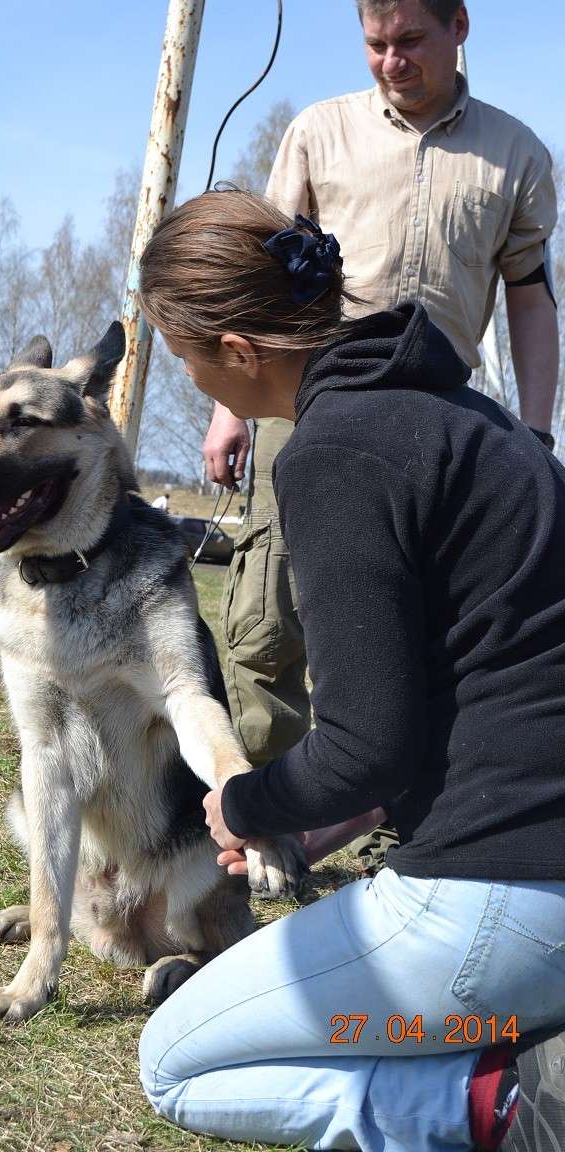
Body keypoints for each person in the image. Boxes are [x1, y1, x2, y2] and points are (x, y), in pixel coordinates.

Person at [136, 189, 565, 1151]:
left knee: (176, 1062)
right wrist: (310, 822)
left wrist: (244, 807)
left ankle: (498, 1102)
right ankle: (503, 1038)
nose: (190, 377)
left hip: (503, 902)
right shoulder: (463, 417)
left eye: (185, 356)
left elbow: (365, 749)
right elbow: (441, 717)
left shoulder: (336, 454)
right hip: (542, 874)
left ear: (239, 352)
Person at [203, 0, 559, 875]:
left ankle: (414, 835)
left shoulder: (517, 154)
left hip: (435, 438)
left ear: (459, 28)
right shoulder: (318, 133)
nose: (391, 61)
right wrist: (229, 408)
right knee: (268, 625)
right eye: (375, 44)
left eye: (410, 41)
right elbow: (258, 272)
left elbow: (529, 299)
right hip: (312, 417)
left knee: (425, 641)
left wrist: (539, 430)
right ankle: (250, 837)